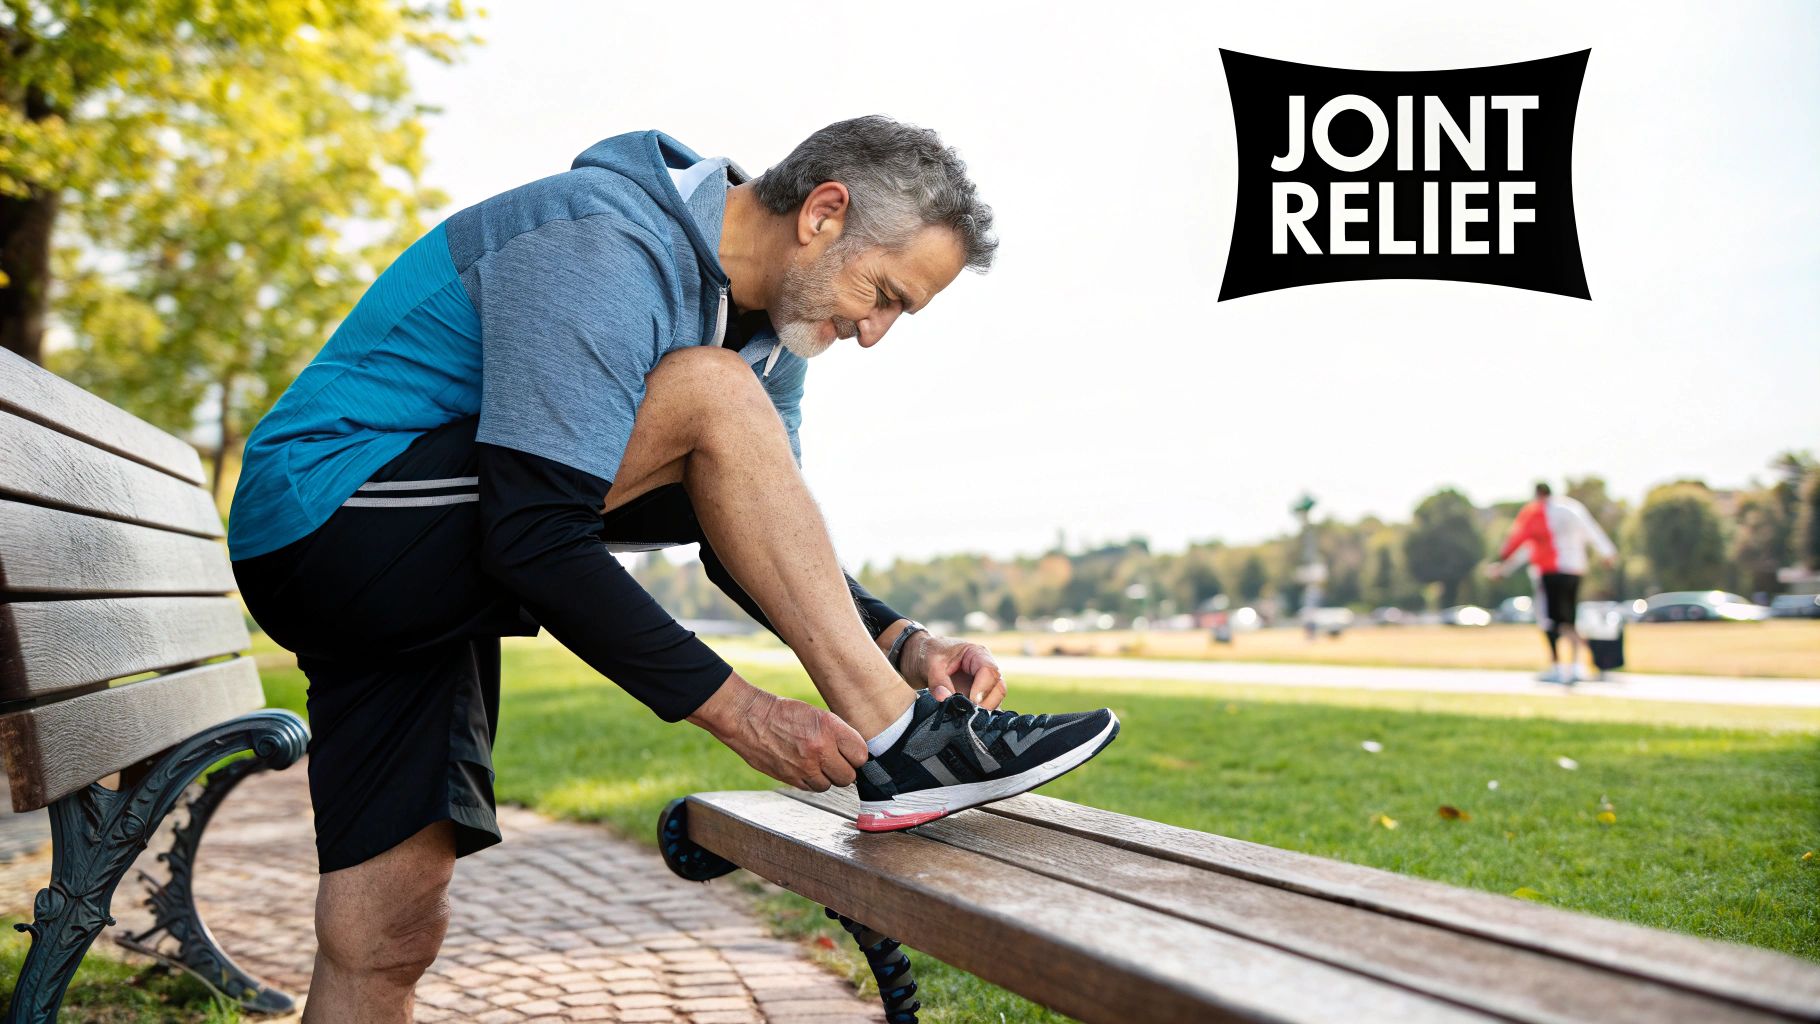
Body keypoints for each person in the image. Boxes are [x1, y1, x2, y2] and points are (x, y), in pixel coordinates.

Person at [227, 117, 1120, 1021]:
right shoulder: (605, 239)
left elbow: (759, 541)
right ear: (823, 212)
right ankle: (907, 745)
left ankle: (905, 721)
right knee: (712, 391)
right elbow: (533, 535)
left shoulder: (771, 332)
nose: (875, 331)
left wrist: (903, 641)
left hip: (427, 578)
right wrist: (745, 715)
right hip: (332, 518)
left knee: (386, 940)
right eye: (882, 292)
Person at [1487, 482, 1617, 684]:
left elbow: (1523, 543)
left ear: (1538, 494)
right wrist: (1608, 553)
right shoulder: (1572, 508)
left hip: (1550, 571)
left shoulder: (1537, 512)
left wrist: (1503, 567)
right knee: (1569, 619)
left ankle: (1559, 665)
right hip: (1575, 570)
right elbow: (1591, 529)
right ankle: (1575, 666)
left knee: (1551, 622)